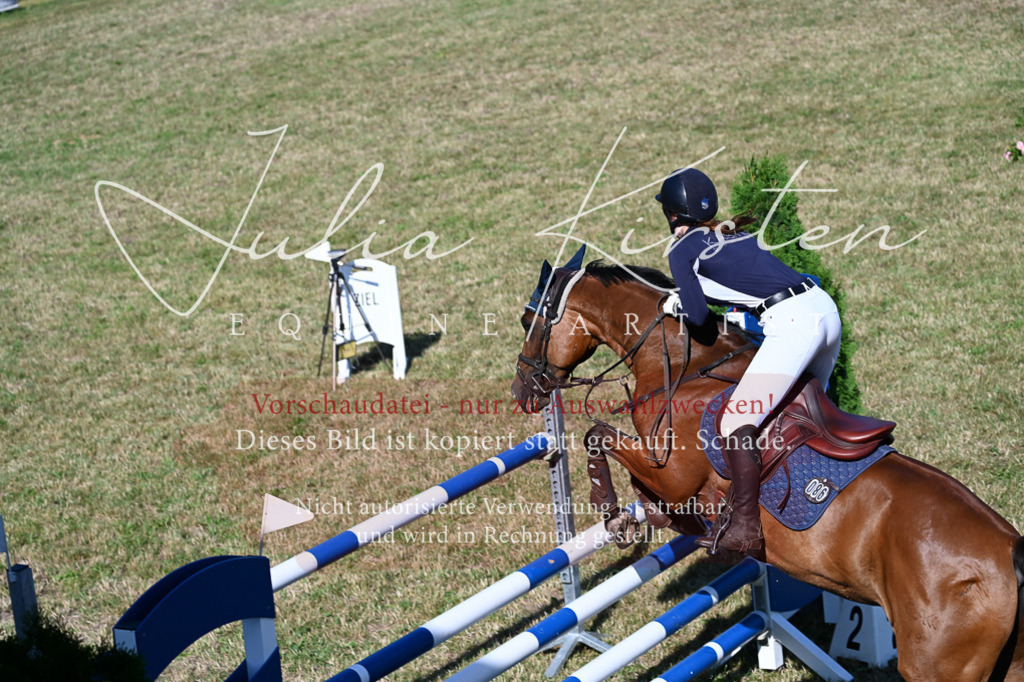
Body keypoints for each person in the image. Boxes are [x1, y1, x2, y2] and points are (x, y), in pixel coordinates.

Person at [657, 167, 842, 556]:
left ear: (672, 215)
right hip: (823, 311)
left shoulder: (682, 248)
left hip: (793, 324)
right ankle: (829, 495)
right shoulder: (729, 231)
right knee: (811, 415)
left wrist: (678, 301)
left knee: (736, 420)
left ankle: (745, 526)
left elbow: (700, 321)